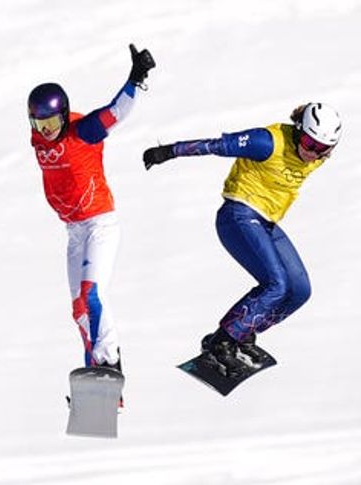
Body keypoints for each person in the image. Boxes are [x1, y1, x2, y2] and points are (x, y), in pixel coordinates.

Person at [142, 102, 342, 372]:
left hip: (266, 223)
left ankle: (243, 334)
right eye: (308, 142)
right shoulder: (266, 142)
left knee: (300, 291)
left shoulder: (316, 157)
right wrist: (168, 151)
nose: (311, 153)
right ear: (298, 130)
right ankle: (221, 342)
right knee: (277, 284)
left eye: (321, 149)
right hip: (237, 216)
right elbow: (215, 145)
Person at [28, 44, 156, 372]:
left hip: (99, 223)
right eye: (39, 123)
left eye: (52, 121)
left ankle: (109, 359)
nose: (47, 130)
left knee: (91, 293)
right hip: (74, 231)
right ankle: (95, 374)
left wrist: (135, 78)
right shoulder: (39, 139)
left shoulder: (82, 131)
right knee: (79, 309)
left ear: (64, 113)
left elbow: (116, 112)